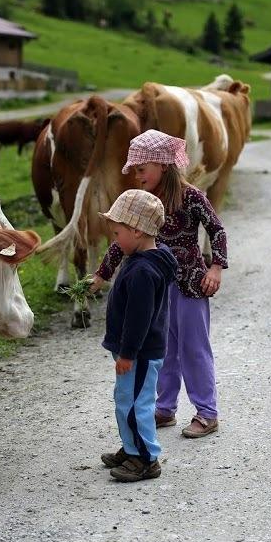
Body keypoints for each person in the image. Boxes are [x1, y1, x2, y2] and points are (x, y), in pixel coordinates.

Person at [91, 130, 228, 439]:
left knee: (194, 349)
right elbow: (123, 240)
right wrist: (102, 274)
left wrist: (216, 268)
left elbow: (216, 229)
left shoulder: (190, 196)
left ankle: (207, 413)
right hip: (157, 289)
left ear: (162, 165)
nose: (138, 177)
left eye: (141, 169)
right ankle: (164, 408)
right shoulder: (143, 202)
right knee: (162, 349)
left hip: (192, 284)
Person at [97, 189, 178, 482]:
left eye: (118, 232)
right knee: (126, 398)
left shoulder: (144, 270)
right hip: (135, 352)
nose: (115, 239)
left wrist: (128, 353)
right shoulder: (146, 256)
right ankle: (132, 447)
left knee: (135, 403)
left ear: (137, 231)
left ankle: (145, 459)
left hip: (139, 353)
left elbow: (139, 318)